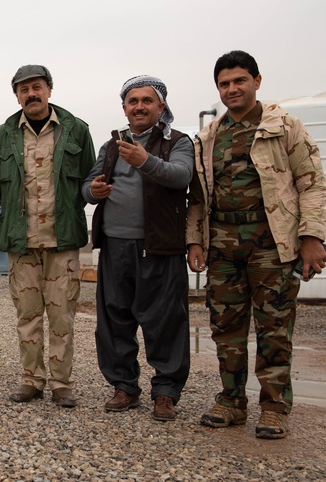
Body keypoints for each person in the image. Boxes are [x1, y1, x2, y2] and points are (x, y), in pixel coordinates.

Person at [187, 51, 326, 439]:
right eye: (225, 83)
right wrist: (195, 241)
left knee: (274, 327)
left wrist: (312, 238)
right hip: (223, 245)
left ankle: (275, 406)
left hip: (272, 243)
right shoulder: (208, 137)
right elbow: (197, 197)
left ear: (257, 81)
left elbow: (311, 183)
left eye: (240, 81)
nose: (232, 89)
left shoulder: (284, 127)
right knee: (225, 327)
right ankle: (231, 401)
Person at [82, 76, 193, 421]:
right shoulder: (111, 145)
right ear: (124, 109)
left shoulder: (178, 141)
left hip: (159, 246)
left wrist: (145, 160)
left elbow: (182, 176)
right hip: (115, 245)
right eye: (133, 101)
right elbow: (88, 184)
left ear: (161, 107)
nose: (140, 106)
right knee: (115, 318)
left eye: (147, 100)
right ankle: (124, 386)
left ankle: (165, 392)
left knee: (165, 321)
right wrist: (93, 191)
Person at [0, 65, 95, 408]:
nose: (30, 94)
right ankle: (31, 379)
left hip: (62, 240)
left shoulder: (76, 130)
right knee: (27, 314)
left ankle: (62, 383)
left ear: (49, 89)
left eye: (37, 87)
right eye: (23, 90)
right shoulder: (3, 135)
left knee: (62, 314)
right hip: (23, 241)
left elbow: (88, 180)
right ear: (16, 95)